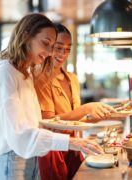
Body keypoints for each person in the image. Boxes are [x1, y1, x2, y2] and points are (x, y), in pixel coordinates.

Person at [0, 14, 103, 180]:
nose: (49, 52)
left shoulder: (26, 73)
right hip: (9, 163)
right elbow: (20, 134)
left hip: (32, 159)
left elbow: (36, 126)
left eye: (51, 46)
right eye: (46, 43)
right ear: (26, 35)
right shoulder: (4, 73)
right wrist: (71, 142)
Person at [34, 23, 115, 180]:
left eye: (67, 49)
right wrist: (86, 109)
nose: (63, 54)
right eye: (59, 48)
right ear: (50, 47)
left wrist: (98, 115)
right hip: (53, 150)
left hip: (75, 146)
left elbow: (76, 121)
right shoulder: (40, 79)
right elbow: (49, 122)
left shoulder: (72, 78)